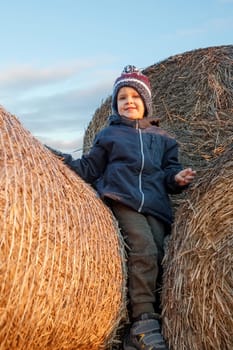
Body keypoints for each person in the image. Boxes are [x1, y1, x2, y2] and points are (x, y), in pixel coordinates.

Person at [46, 65, 196, 350]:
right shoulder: (110, 135)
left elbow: (169, 173)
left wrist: (177, 179)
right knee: (143, 248)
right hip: (122, 199)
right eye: (122, 98)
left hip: (155, 205)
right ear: (115, 106)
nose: (128, 102)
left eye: (135, 97)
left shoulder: (163, 139)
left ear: (146, 103)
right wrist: (59, 161)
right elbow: (89, 168)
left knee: (161, 255)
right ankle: (142, 320)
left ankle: (151, 318)